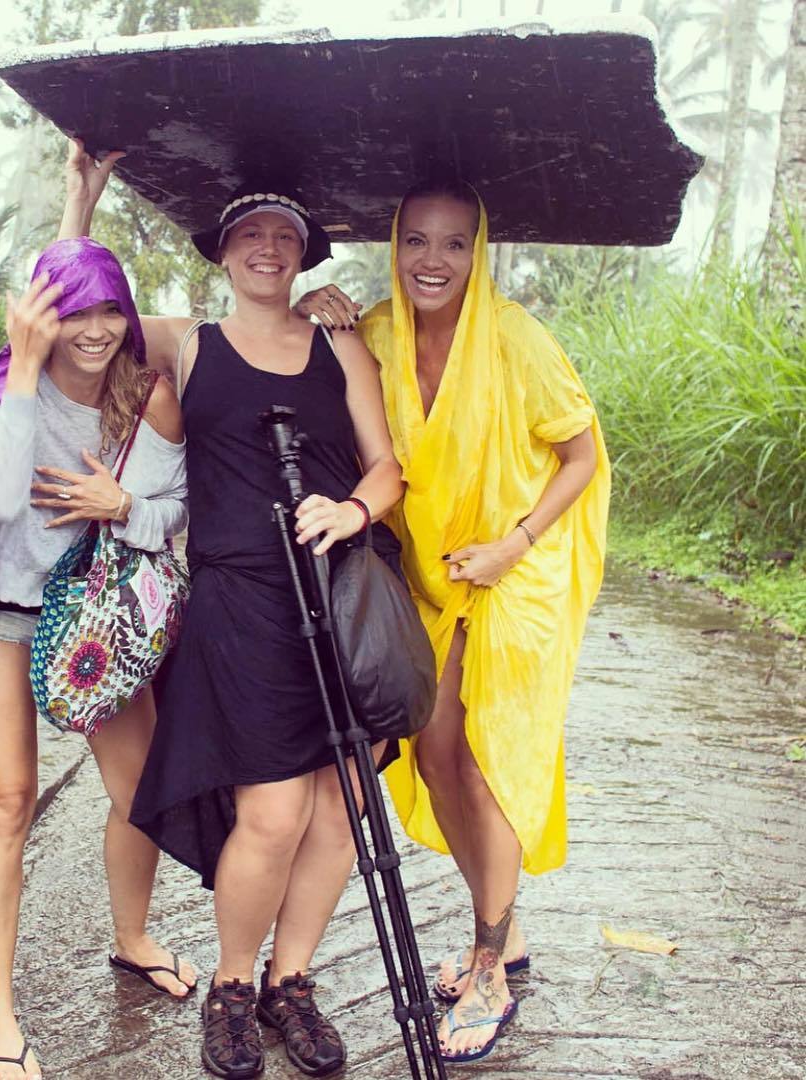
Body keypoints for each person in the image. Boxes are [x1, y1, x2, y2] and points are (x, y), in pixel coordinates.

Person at [58, 141, 405, 1079]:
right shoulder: (189, 343)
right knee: (275, 811)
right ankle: (234, 987)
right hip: (241, 603)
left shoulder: (340, 345)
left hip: (344, 591)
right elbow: (72, 315)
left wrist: (354, 510)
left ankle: (294, 982)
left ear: (304, 253)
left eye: (284, 235)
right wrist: (79, 205)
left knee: (339, 807)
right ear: (222, 251)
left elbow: (387, 467)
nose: (267, 247)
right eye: (249, 233)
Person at [297, 181, 610, 1064]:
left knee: (487, 760)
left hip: (520, 569)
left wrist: (514, 544)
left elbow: (581, 455)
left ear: (480, 252)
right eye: (416, 241)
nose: (432, 261)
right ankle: (503, 930)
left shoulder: (516, 338)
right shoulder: (378, 336)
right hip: (435, 573)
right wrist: (310, 310)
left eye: (454, 244)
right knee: (433, 755)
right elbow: (301, 369)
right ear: (395, 246)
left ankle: (489, 966)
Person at [0, 236, 193, 1080]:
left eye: (109, 311)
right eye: (73, 312)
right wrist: (24, 367)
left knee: (139, 793)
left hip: (100, 622)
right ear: (41, 319)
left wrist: (122, 504)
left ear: (128, 317)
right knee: (7, 805)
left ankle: (133, 938)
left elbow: (176, 507)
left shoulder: (149, 398)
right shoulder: (8, 388)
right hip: (3, 618)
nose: (93, 330)